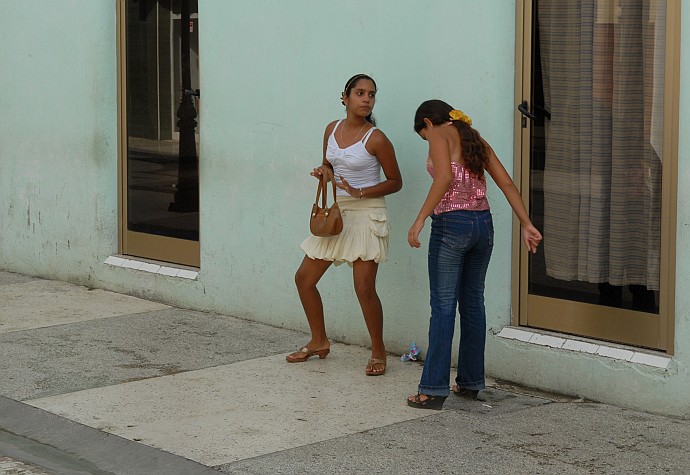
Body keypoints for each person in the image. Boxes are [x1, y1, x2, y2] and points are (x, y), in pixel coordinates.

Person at [406, 100, 542, 409]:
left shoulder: (439, 134)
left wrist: (420, 219)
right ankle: (469, 382)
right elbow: (505, 182)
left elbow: (443, 179)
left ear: (428, 123)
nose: (427, 141)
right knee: (472, 304)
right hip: (483, 226)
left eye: (422, 136)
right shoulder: (473, 139)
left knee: (442, 307)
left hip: (452, 225)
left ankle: (432, 389)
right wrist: (526, 222)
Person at [287, 74, 403, 376]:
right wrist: (322, 172)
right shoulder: (332, 129)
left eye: (372, 95)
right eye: (360, 93)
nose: (366, 99)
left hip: (367, 214)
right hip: (338, 213)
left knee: (364, 288)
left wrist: (360, 191)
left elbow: (395, 182)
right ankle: (319, 341)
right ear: (345, 97)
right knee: (304, 279)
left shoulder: (376, 138)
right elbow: (329, 164)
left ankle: (378, 352)